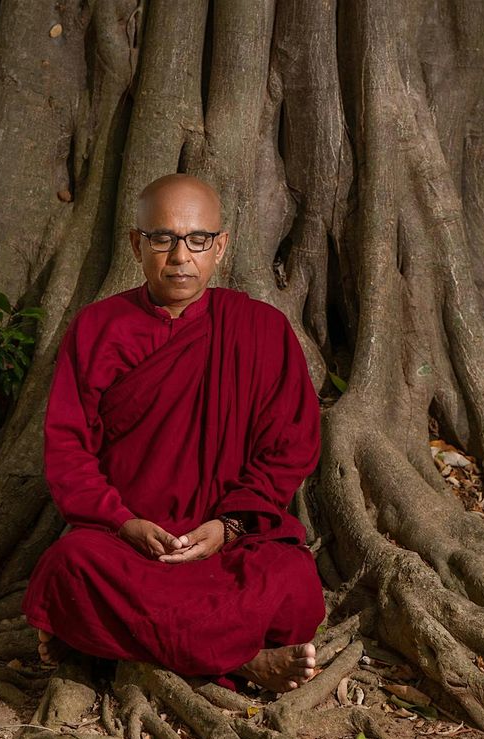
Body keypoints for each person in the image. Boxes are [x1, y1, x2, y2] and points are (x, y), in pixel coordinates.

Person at [21, 174, 324, 692]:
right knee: (70, 565)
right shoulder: (99, 328)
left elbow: (290, 447)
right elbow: (69, 452)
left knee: (293, 582)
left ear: (221, 246)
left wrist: (227, 526)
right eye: (162, 238)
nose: (180, 256)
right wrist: (123, 523)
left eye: (197, 239)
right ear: (137, 243)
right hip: (130, 545)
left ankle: (101, 637)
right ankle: (246, 661)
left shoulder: (261, 330)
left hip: (225, 543)